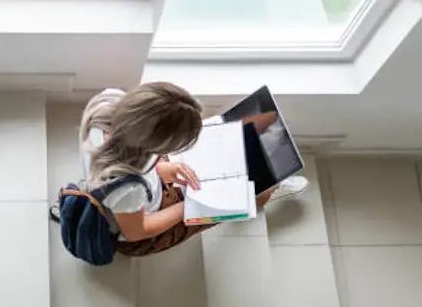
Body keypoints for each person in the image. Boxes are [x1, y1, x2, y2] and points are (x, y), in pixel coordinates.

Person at [79, 83, 308, 257]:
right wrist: (189, 207)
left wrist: (160, 168)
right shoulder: (127, 188)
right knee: (247, 194)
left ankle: (253, 180)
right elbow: (137, 232)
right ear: (151, 145)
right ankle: (262, 195)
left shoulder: (108, 101)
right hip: (144, 217)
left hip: (141, 183)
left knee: (231, 139)